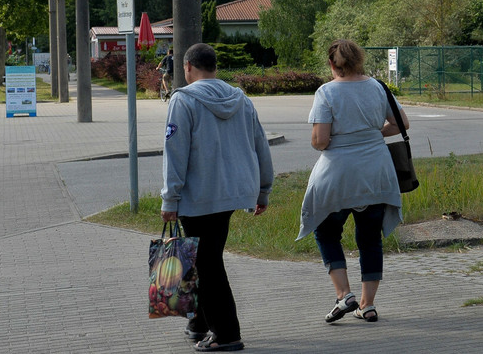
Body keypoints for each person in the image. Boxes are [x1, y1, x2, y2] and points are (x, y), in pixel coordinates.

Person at [161, 43, 273, 352]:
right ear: (214, 67)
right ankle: (199, 323)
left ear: (187, 68)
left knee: (207, 264)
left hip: (198, 196)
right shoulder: (242, 99)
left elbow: (175, 153)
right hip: (234, 194)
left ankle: (226, 334)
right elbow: (260, 144)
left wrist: (170, 200)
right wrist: (264, 189)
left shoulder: (182, 100)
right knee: (206, 258)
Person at [298, 39, 407, 324]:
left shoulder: (326, 92)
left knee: (326, 231)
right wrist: (370, 136)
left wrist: (332, 140)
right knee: (370, 238)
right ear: (359, 60)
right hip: (376, 172)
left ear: (332, 64)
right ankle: (367, 305)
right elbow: (401, 123)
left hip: (338, 174)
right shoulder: (378, 87)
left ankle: (344, 294)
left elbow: (320, 141)